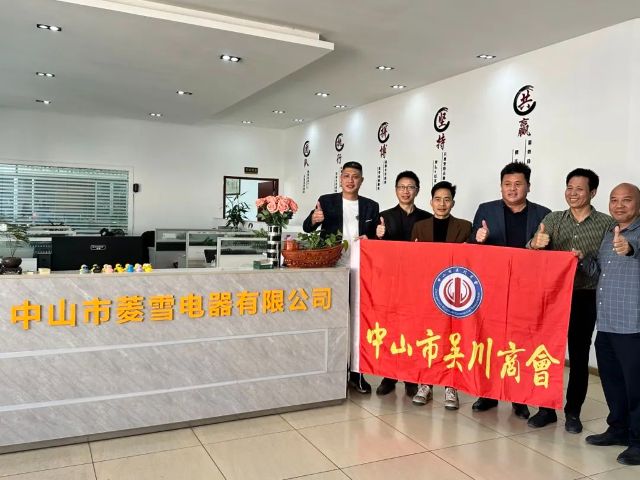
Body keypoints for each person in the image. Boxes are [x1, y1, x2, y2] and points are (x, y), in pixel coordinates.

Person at [527, 169, 614, 432]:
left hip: (585, 296)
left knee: (578, 355)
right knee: (546, 352)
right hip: (552, 295)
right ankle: (545, 409)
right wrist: (534, 243)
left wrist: (583, 260)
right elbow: (532, 251)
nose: (572, 193)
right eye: (569, 188)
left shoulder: (607, 224)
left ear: (593, 193)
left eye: (579, 189)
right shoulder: (553, 219)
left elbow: (607, 267)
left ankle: (573, 412)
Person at [469, 161, 550, 420]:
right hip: (492, 288)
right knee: (490, 341)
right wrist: (478, 239)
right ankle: (488, 394)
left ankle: (519, 397)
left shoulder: (543, 214)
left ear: (529, 186)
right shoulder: (486, 210)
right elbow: (472, 247)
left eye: (518, 184)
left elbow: (550, 255)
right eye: (507, 184)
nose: (512, 189)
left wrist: (543, 244)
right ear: (501, 186)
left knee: (521, 344)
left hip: (526, 290)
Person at [303, 161, 379, 394]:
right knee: (332, 319)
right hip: (332, 268)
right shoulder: (326, 201)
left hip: (361, 269)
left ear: (361, 180)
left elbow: (377, 237)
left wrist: (373, 238)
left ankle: (356, 374)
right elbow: (307, 228)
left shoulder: (371, 206)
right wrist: (314, 219)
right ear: (340, 178)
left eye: (355, 176)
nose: (350, 180)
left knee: (357, 321)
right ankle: (331, 371)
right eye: (346, 175)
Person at [577, 183, 640, 466]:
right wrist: (581, 260)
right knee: (613, 382)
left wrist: (630, 249)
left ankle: (638, 441)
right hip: (606, 323)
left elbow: (633, 251)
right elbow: (598, 272)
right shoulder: (608, 235)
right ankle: (618, 429)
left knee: (636, 387)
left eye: (627, 200)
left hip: (633, 325)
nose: (619, 205)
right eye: (614, 200)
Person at [410, 180, 472, 410]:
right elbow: (411, 260)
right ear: (431, 202)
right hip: (426, 291)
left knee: (452, 338)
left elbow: (471, 260)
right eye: (438, 199)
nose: (442, 204)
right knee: (428, 338)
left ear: (453, 203)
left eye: (447, 199)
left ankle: (450, 386)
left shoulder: (465, 226)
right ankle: (425, 384)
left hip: (453, 292)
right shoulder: (420, 227)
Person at [374, 171, 432, 398]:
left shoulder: (427, 218)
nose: (406, 191)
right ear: (396, 190)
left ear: (417, 190)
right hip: (391, 283)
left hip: (417, 284)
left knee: (414, 330)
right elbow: (372, 249)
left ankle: (411, 378)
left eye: (410, 187)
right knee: (390, 329)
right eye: (401, 187)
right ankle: (388, 376)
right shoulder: (383, 217)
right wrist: (378, 235)